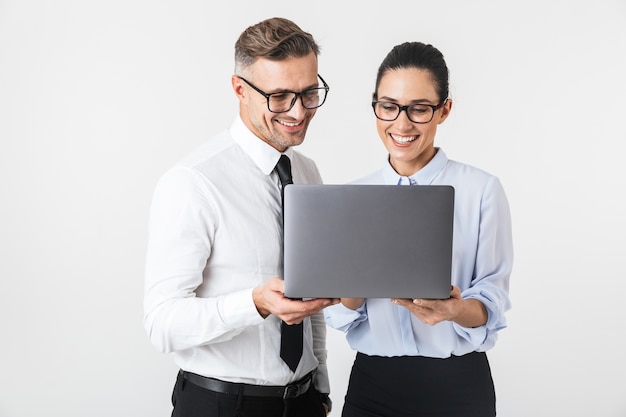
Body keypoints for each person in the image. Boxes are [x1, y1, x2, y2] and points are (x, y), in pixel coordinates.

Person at [144, 17, 339, 417]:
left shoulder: (307, 172)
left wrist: (320, 387)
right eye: (281, 96)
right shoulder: (193, 182)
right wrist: (255, 303)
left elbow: (308, 300)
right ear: (240, 89)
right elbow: (162, 323)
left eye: (309, 92)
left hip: (303, 402)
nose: (299, 112)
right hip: (222, 405)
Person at [324, 41, 513, 417]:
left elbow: (492, 300)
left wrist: (455, 310)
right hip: (372, 385)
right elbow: (342, 315)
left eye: (420, 109)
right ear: (375, 106)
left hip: (458, 386)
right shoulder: (353, 196)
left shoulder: (480, 190)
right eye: (388, 106)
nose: (402, 123)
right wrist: (352, 291)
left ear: (444, 110)